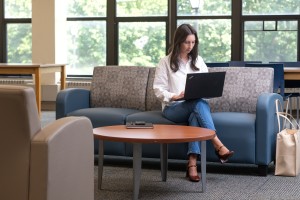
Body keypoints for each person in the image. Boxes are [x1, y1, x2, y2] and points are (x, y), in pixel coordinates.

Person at [153, 24, 234, 182]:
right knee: (197, 103)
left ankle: (192, 164)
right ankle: (216, 142)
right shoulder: (165, 62)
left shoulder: (198, 61)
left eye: (193, 42)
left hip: (196, 105)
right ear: (178, 42)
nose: (190, 46)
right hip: (173, 108)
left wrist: (207, 92)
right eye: (186, 42)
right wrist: (175, 96)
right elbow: (158, 89)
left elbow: (207, 85)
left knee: (196, 112)